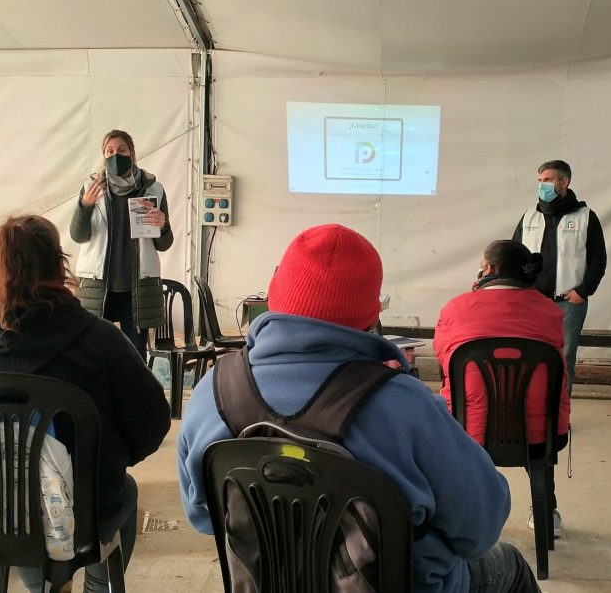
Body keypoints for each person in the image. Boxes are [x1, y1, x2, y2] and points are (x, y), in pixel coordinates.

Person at [178, 224, 540, 593]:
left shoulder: (213, 392)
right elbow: (480, 528)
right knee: (509, 563)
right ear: (371, 316)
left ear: (274, 294)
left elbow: (202, 518)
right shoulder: (407, 405)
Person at [0, 214, 170, 592]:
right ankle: (93, 584)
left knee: (23, 512)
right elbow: (151, 421)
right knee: (123, 489)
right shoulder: (101, 340)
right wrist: (108, 461)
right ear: (59, 264)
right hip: (83, 508)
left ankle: (44, 586)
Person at [434, 240, 570, 538]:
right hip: (540, 435)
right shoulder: (549, 311)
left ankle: (461, 514)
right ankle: (546, 511)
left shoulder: (455, 308)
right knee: (537, 420)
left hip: (467, 433)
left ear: (489, 269)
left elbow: (445, 363)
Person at [69, 129, 172, 358]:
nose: (116, 155)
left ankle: (131, 395)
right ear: (103, 156)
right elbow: (77, 235)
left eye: (122, 150)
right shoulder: (91, 188)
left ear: (132, 153)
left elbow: (164, 245)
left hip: (137, 288)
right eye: (110, 151)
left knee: (134, 355)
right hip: (98, 286)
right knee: (93, 353)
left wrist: (163, 225)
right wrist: (85, 206)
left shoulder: (153, 189)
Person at [513, 160, 606, 393]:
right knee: (528, 356)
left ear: (563, 182)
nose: (541, 185)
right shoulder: (529, 217)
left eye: (547, 180)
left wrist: (583, 292)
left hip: (568, 303)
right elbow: (514, 256)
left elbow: (598, 260)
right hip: (531, 302)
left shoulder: (586, 217)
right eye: (539, 181)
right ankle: (532, 413)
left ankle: (559, 417)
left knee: (563, 359)